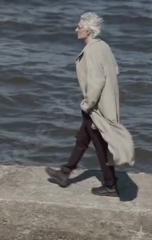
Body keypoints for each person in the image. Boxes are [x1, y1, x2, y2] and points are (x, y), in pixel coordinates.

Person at [45, 12, 135, 197]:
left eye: (79, 27)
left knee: (100, 145)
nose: (76, 30)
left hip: (96, 108)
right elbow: (115, 70)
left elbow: (96, 82)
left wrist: (88, 105)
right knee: (83, 138)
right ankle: (65, 172)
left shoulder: (92, 51)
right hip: (104, 104)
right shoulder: (103, 46)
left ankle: (110, 184)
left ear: (88, 30)